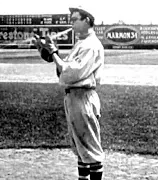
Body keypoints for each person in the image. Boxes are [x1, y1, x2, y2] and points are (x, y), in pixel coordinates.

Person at [34, 6, 105, 180]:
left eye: (75, 19)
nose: (71, 23)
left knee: (91, 148)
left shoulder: (91, 45)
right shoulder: (81, 43)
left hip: (83, 97)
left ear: (87, 20)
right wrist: (46, 52)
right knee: (81, 146)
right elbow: (63, 68)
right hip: (75, 97)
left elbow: (71, 72)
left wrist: (54, 51)